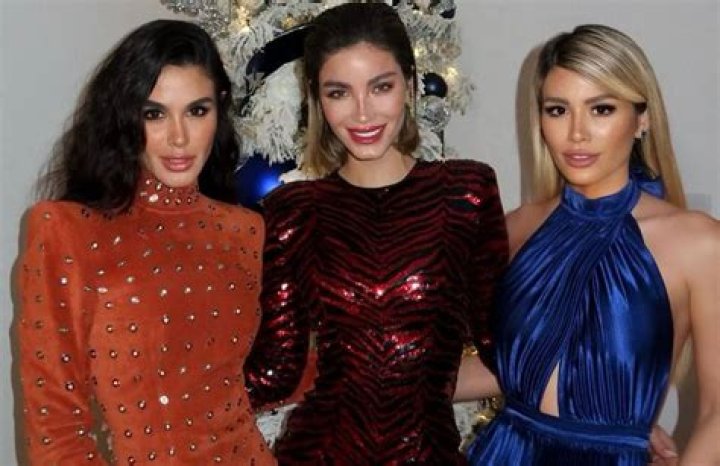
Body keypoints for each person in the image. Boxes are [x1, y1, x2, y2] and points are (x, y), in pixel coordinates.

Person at [242, 3, 509, 465]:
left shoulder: (466, 193)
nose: (362, 113)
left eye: (381, 86)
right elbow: (276, 370)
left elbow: (505, 348)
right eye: (339, 92)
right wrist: (166, 393)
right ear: (317, 99)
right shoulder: (293, 210)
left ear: (409, 84)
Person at [15, 19, 275, 465]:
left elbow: (264, 372)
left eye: (197, 111)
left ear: (219, 110)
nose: (178, 137)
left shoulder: (245, 230)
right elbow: (56, 430)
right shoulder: (65, 230)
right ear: (123, 118)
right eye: (153, 114)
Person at [465, 24, 719, 465]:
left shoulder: (699, 243)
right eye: (558, 110)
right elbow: (507, 367)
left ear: (642, 118)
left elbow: (717, 413)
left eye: (601, 109)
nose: (576, 133)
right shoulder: (513, 228)